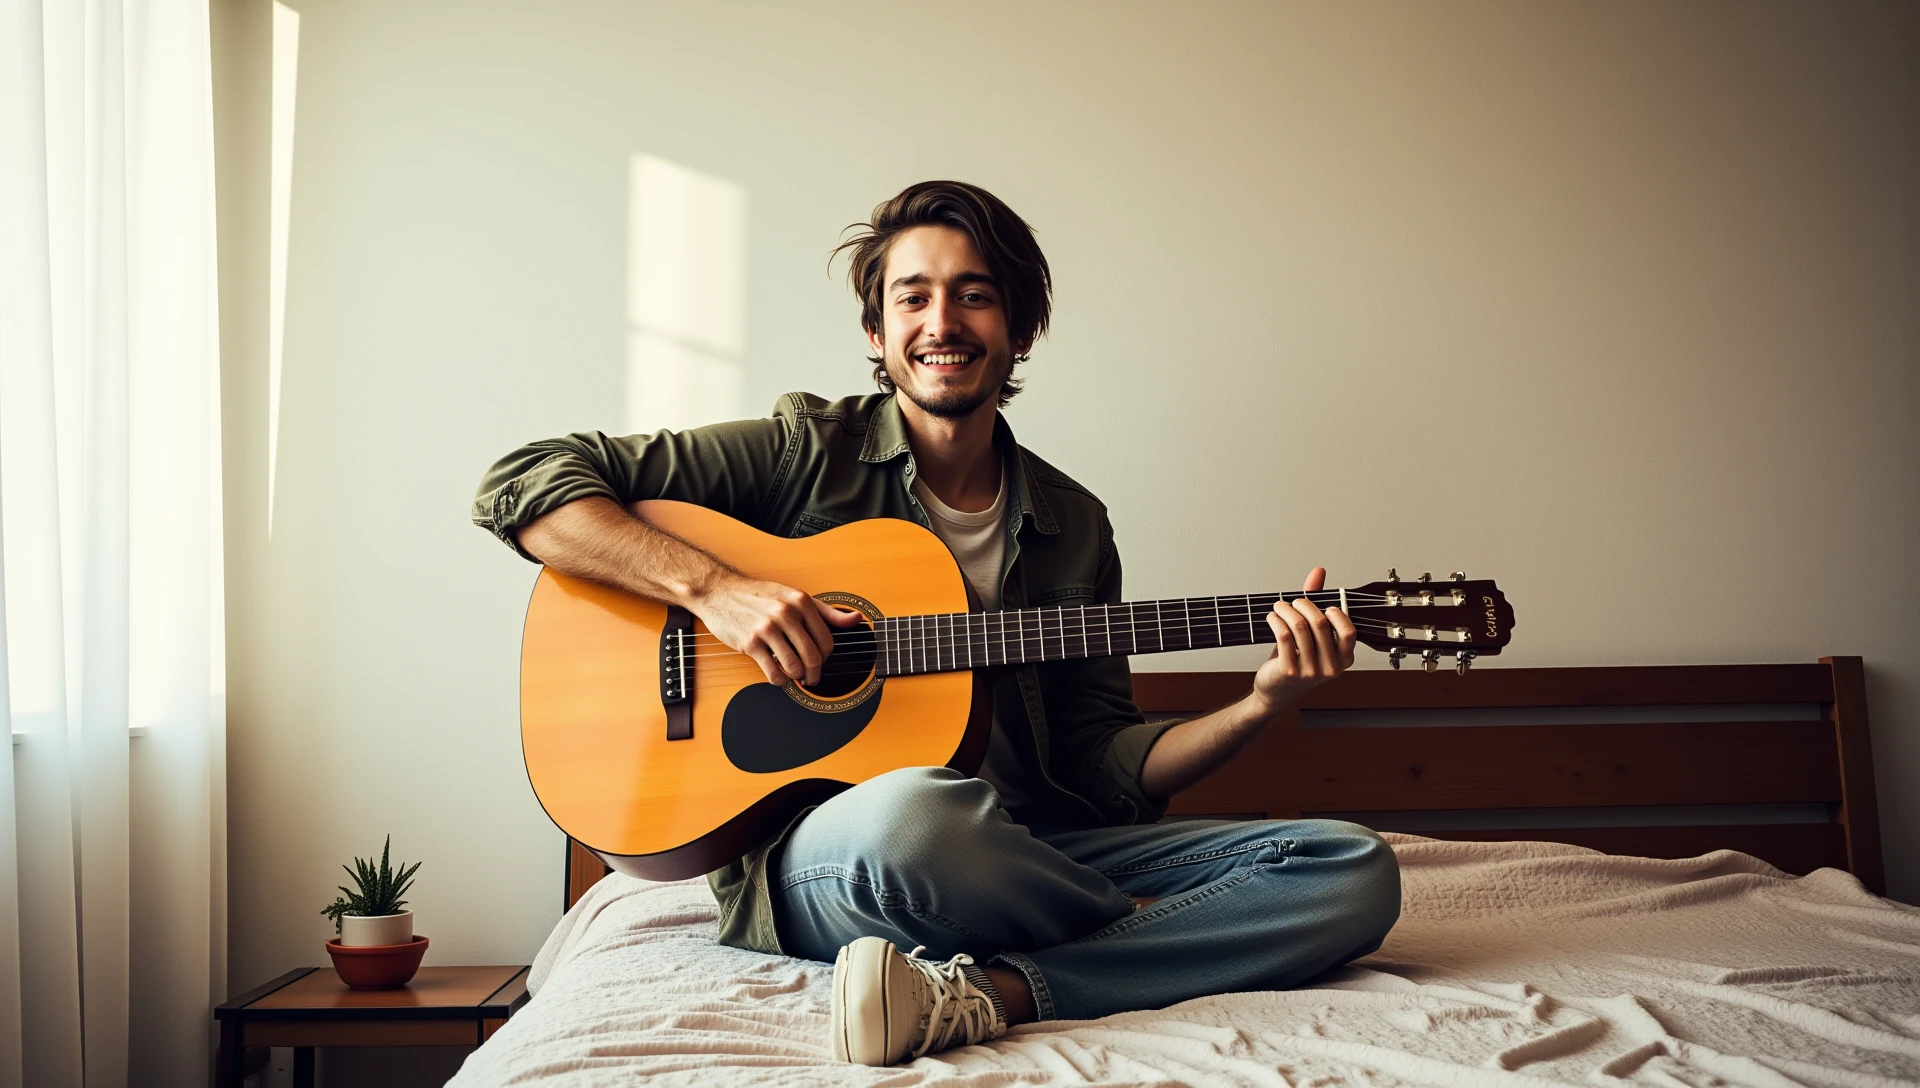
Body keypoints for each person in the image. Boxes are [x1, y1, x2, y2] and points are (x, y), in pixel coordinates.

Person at [473, 180, 1400, 1067]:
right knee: (920, 811)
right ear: (877, 331)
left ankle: (998, 992)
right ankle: (1162, 928)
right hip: (842, 854)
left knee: (1350, 868)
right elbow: (524, 483)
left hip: (1030, 848)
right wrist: (716, 589)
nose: (942, 323)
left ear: (1019, 328)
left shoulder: (1074, 524)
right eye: (912, 297)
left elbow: (1103, 765)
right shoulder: (804, 453)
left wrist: (1260, 705)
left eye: (974, 296)